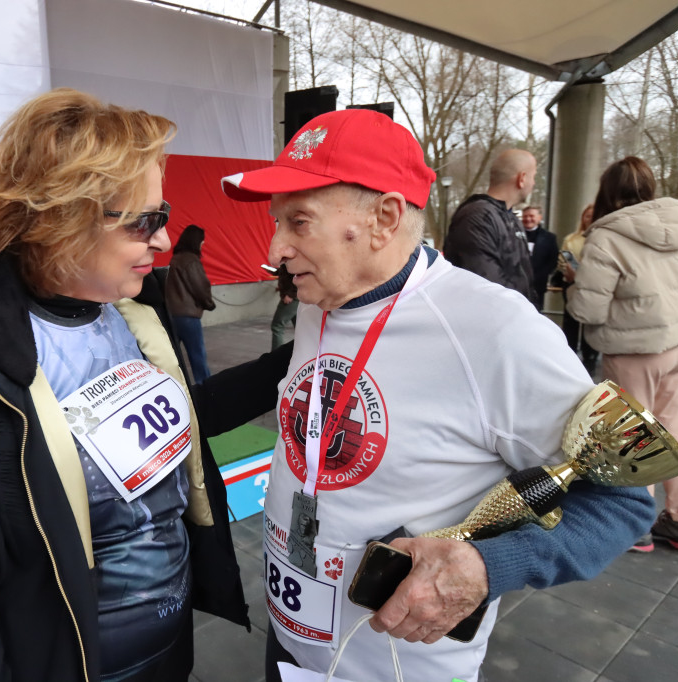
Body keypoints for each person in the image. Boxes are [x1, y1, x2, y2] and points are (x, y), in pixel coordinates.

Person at [0, 88, 293, 682]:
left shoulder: (129, 310)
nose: (161, 241)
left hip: (172, 652)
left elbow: (173, 425)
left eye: (165, 217)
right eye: (145, 221)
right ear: (61, 218)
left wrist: (291, 362)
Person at [221, 109, 653, 682]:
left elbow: (627, 497)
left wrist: (486, 566)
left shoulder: (496, 330)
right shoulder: (322, 297)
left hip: (399, 666)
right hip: (292, 642)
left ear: (385, 217)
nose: (276, 247)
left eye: (298, 222)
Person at [568, 157, 678, 553]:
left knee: (634, 437)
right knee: (674, 428)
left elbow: (588, 310)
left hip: (633, 349)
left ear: (606, 192)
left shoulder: (605, 237)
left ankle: (637, 524)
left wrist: (576, 286)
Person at [442, 149, 538, 305]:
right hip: (493, 321)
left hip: (518, 319)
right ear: (522, 178)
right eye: (533, 177)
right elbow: (486, 286)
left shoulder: (512, 218)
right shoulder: (476, 217)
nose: (534, 183)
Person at [164, 224, 215, 383]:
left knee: (174, 358)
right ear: (195, 241)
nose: (203, 244)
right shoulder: (191, 260)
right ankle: (206, 391)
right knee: (197, 357)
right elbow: (200, 286)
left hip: (173, 314)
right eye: (202, 241)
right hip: (188, 317)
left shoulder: (176, 258)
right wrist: (208, 303)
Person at [556, 204, 599, 373]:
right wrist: (566, 270)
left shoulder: (604, 238)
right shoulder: (571, 239)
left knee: (590, 324)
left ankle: (590, 362)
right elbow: (562, 260)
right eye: (587, 215)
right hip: (571, 285)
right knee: (571, 324)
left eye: (594, 215)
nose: (590, 219)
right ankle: (570, 358)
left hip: (594, 287)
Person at [521, 204, 559, 310]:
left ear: (539, 218)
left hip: (538, 285)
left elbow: (553, 260)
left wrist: (540, 274)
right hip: (516, 284)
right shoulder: (513, 235)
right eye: (525, 216)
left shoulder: (549, 238)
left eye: (531, 216)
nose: (528, 219)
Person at [270, 264, 298, 350]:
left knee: (277, 326)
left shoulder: (292, 258)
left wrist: (290, 294)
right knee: (300, 327)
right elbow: (285, 273)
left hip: (292, 298)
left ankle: (276, 355)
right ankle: (305, 351)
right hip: (294, 297)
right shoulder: (286, 260)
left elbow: (297, 276)